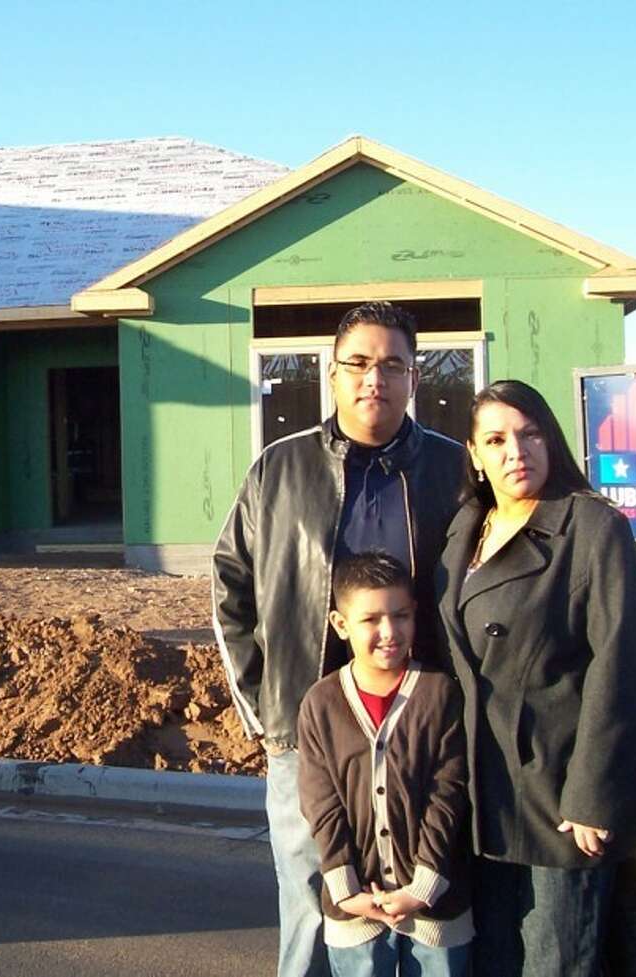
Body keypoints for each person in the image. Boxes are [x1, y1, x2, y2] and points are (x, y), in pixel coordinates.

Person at [212, 301, 467, 977]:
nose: (373, 379)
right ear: (332, 372)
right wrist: (262, 712)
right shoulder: (280, 468)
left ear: (415, 377)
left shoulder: (453, 470)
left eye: (392, 364)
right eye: (358, 362)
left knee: (421, 913)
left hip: (418, 735)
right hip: (305, 731)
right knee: (309, 905)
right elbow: (230, 584)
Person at [435, 379, 636, 977]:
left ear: (551, 439)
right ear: (475, 455)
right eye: (497, 439)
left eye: (530, 434)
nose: (516, 451)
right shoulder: (463, 531)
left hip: (559, 800)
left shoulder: (592, 528)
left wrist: (592, 797)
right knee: (492, 962)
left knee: (555, 965)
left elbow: (621, 668)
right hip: (480, 796)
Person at [298, 552, 472, 977]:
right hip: (356, 908)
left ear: (415, 614)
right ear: (341, 624)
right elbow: (322, 805)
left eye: (400, 616)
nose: (389, 632)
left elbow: (448, 794)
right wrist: (345, 888)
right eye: (370, 619)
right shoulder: (321, 704)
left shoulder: (439, 693)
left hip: (435, 908)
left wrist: (424, 885)